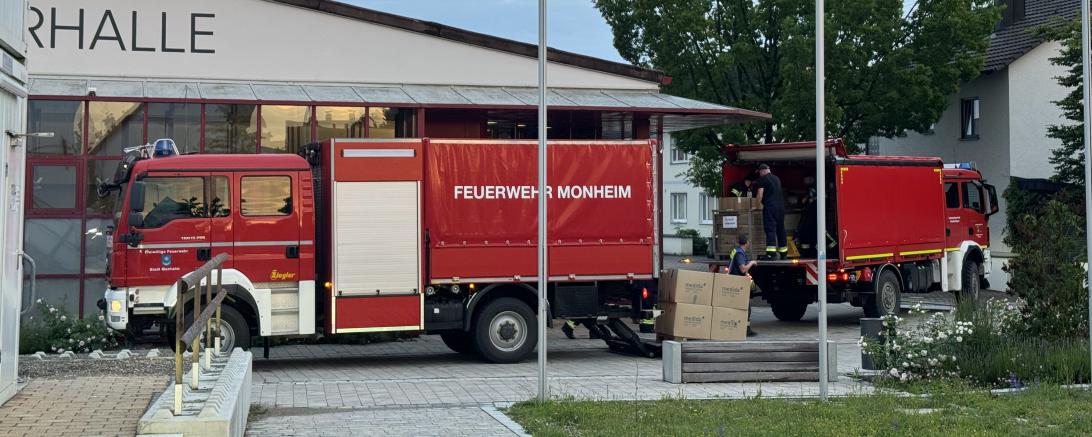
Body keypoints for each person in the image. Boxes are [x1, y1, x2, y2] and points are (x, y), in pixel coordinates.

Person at [754, 163, 787, 260]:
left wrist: (757, 206)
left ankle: (771, 254)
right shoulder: (777, 178)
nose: (759, 174)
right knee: (780, 229)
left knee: (770, 229)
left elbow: (760, 194)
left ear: (762, 171)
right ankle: (783, 253)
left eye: (759, 172)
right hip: (780, 208)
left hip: (770, 207)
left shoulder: (762, 180)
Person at [728, 233, 758, 337]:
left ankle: (742, 329)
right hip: (737, 283)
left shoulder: (736, 250)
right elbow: (742, 268)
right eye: (749, 241)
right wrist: (752, 263)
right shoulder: (740, 253)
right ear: (746, 243)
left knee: (741, 306)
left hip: (735, 281)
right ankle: (746, 330)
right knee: (746, 307)